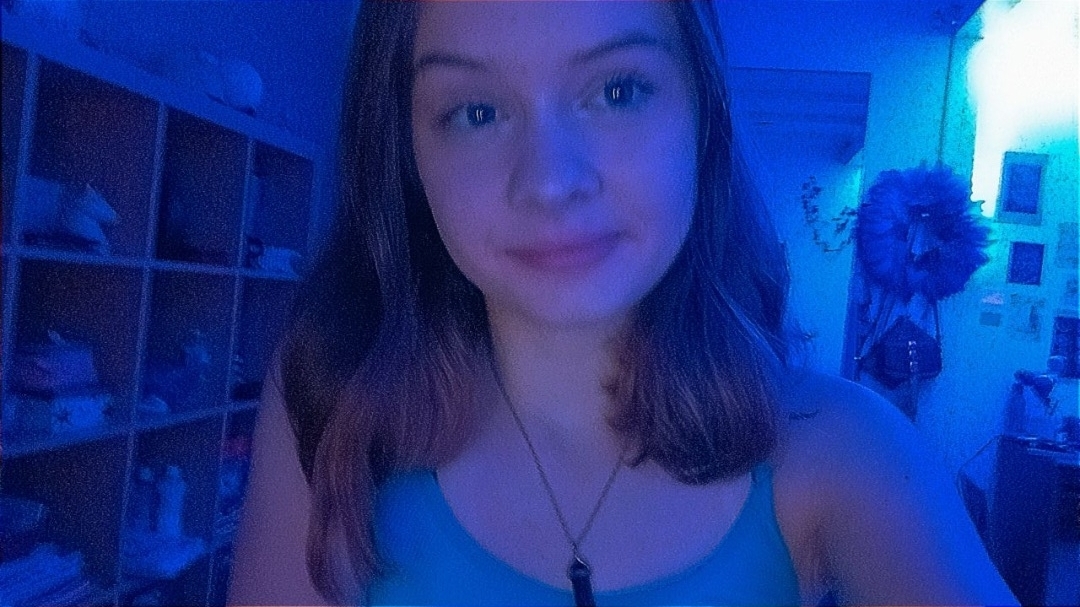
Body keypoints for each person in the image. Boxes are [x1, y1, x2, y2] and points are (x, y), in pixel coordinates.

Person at [228, 1, 1018, 605]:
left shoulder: (845, 453)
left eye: (618, 90)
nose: (549, 181)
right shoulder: (336, 396)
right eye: (476, 112)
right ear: (407, 153)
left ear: (702, 117)